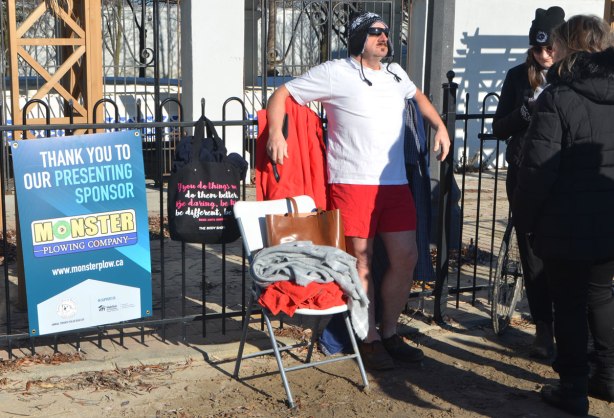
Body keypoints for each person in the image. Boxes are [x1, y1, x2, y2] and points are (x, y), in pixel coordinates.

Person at [266, 11, 450, 370]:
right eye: (375, 33)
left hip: (394, 184)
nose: (385, 38)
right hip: (351, 183)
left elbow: (419, 97)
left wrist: (439, 126)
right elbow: (283, 93)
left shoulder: (396, 74)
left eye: (386, 32)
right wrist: (276, 132)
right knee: (360, 262)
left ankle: (391, 331)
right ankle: (368, 339)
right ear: (358, 39)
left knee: (406, 257)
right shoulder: (337, 72)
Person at [512, 15, 614, 416]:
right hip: (607, 218)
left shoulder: (558, 97)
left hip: (566, 223)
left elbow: (537, 170)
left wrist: (524, 217)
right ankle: (607, 377)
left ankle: (573, 387)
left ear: (567, 47)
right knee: (602, 295)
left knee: (570, 304)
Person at [493, 6, 564, 359]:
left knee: (563, 253)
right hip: (523, 174)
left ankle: (568, 325)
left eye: (551, 48)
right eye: (539, 49)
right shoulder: (518, 76)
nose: (545, 55)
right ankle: (543, 330)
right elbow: (497, 127)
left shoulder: (571, 76)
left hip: (562, 176)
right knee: (533, 254)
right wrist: (524, 112)